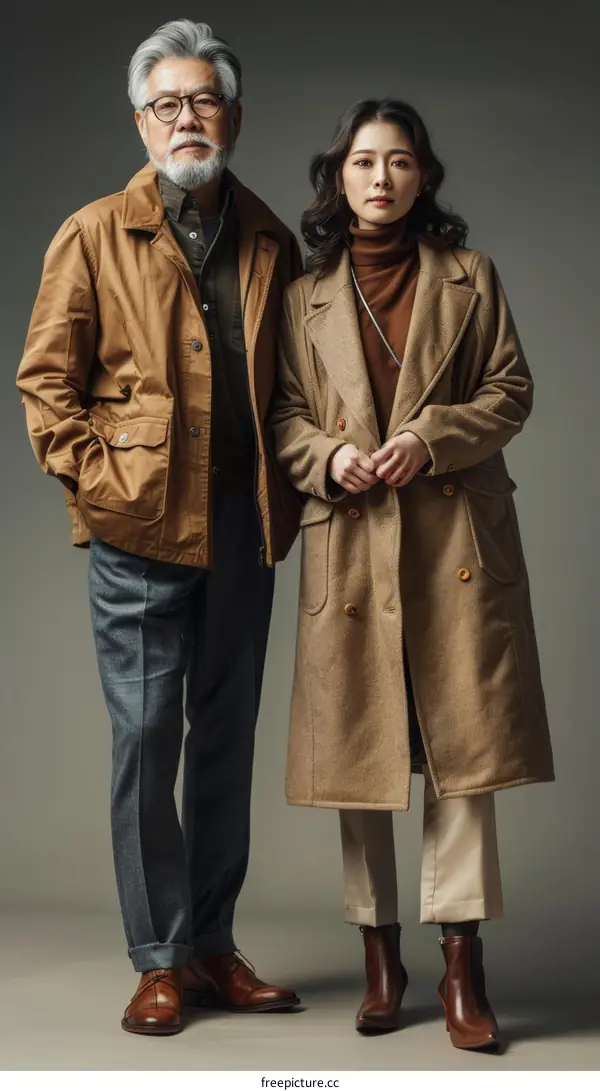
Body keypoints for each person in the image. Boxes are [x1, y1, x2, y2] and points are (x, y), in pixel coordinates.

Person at [16, 19, 303, 1036]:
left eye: (203, 100)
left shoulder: (270, 238)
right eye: (167, 104)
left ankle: (214, 945)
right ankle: (158, 958)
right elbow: (46, 385)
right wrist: (104, 488)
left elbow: (294, 387)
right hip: (138, 527)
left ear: (234, 115)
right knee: (145, 738)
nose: (187, 118)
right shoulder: (93, 232)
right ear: (141, 121)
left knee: (226, 735)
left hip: (244, 524)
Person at [270, 97, 554, 1052]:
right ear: (339, 177)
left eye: (398, 161)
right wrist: (328, 456)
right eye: (363, 161)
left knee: (462, 752)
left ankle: (463, 965)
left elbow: (511, 391)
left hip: (454, 543)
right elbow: (282, 418)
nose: (381, 177)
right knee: (362, 750)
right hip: (351, 541)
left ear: (423, 175)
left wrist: (431, 438)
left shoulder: (472, 277)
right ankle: (381, 961)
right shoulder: (302, 298)